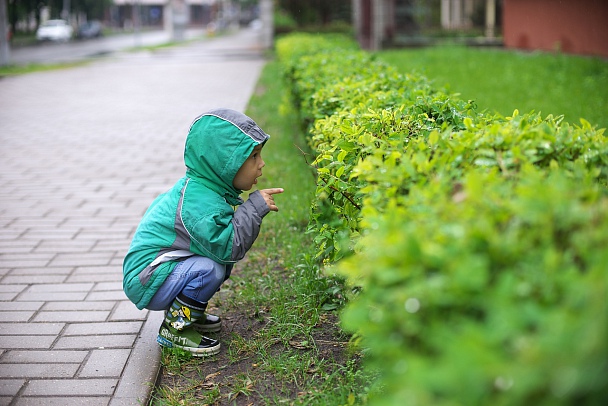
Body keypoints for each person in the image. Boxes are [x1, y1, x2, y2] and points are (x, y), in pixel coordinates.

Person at [122, 108, 283, 356]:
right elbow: (228, 248)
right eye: (253, 156)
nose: (261, 165)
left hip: (155, 273)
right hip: (146, 279)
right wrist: (253, 209)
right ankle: (175, 329)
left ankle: (187, 313)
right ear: (225, 163)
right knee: (210, 268)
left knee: (209, 264)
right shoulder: (200, 205)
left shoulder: (205, 190)